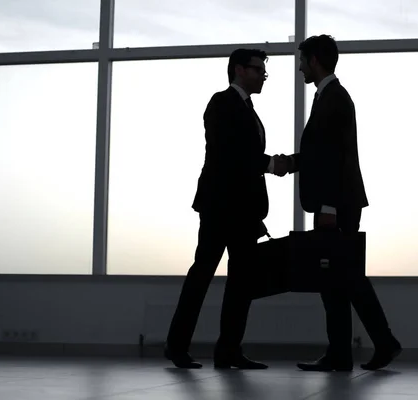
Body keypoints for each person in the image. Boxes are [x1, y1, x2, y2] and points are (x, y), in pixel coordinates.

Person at [164, 48, 289, 369]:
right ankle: (177, 346)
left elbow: (241, 158)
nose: (263, 75)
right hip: (221, 207)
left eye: (264, 70)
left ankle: (228, 350)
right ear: (238, 70)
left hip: (243, 211)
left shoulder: (248, 109)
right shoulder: (221, 103)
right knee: (202, 275)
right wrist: (271, 163)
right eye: (258, 69)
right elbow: (231, 154)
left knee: (240, 281)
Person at [283, 34, 401, 371]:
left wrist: (329, 208)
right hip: (337, 201)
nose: (300, 67)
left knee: (345, 276)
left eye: (302, 60)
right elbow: (321, 153)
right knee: (335, 278)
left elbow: (335, 158)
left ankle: (380, 343)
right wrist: (292, 162)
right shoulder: (330, 96)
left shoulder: (333, 98)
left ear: (315, 61)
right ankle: (343, 353)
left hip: (336, 204)